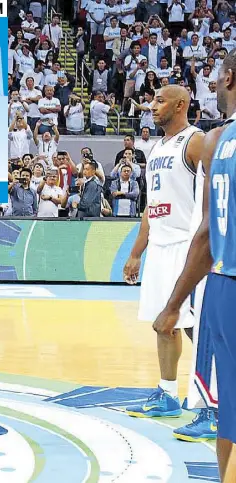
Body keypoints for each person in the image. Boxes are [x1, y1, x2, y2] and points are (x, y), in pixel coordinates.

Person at [153, 49, 236, 480]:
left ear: (228, 77)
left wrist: (174, 302)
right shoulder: (211, 140)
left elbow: (207, 231)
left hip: (220, 277)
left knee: (226, 404)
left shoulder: (216, 141)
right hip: (207, 263)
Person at [123, 85, 206, 419]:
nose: (152, 106)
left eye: (160, 101)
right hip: (159, 245)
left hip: (188, 247)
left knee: (196, 328)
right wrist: (136, 252)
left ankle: (207, 404)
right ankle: (168, 394)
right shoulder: (156, 148)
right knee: (163, 324)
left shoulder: (196, 141)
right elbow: (150, 206)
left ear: (180, 105)